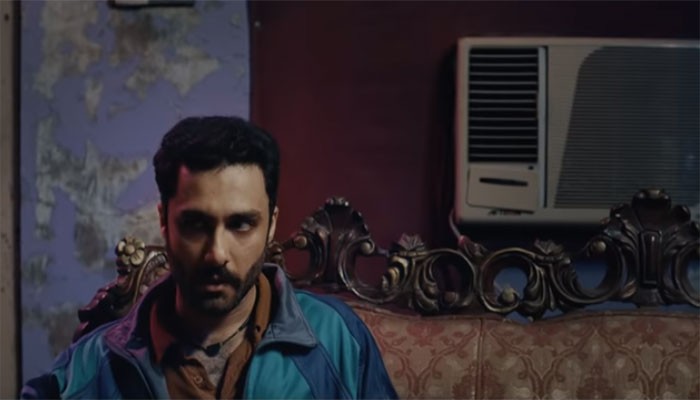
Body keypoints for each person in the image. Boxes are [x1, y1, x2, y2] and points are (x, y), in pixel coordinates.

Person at [21, 116, 398, 399]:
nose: (217, 254)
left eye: (241, 224)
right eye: (195, 224)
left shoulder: (340, 342)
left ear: (271, 225)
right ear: (163, 221)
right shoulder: (85, 371)